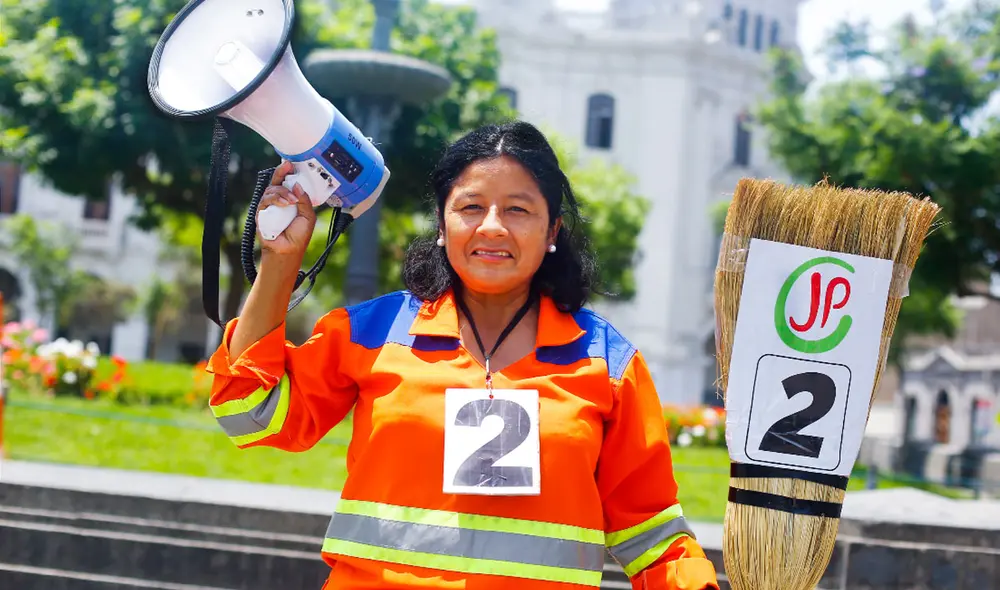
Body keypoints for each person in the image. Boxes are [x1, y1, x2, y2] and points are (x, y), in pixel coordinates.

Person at [205, 120, 720, 590]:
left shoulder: (608, 364)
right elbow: (248, 413)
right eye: (471, 207)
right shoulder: (374, 332)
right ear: (442, 222)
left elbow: (653, 538)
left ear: (552, 232)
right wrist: (281, 258)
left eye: (518, 209)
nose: (493, 226)